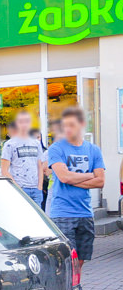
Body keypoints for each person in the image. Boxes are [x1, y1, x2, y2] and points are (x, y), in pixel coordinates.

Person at [47, 106, 105, 274]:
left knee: (81, 258)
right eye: (65, 125)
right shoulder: (56, 148)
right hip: (63, 212)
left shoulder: (93, 150)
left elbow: (100, 180)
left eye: (71, 125)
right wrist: (89, 175)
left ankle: (74, 288)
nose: (67, 129)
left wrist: (74, 178)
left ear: (82, 124)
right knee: (67, 259)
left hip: (85, 212)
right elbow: (64, 177)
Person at [1, 110, 44, 204]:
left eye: (27, 121)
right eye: (21, 122)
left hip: (36, 189)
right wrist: (17, 188)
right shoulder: (10, 144)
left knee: (36, 218)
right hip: (20, 188)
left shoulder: (36, 143)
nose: (24, 124)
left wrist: (40, 186)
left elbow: (40, 166)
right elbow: (4, 170)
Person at [30, 127, 49, 208]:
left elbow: (45, 170)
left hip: (44, 185)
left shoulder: (46, 151)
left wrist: (42, 186)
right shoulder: (29, 152)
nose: (37, 139)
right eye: (34, 137)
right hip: (34, 184)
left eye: (38, 137)